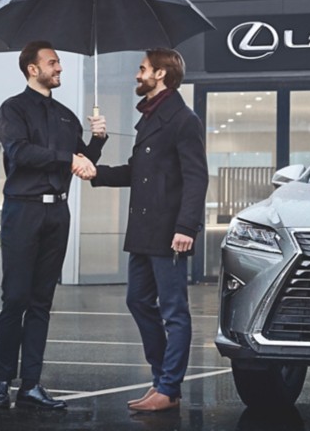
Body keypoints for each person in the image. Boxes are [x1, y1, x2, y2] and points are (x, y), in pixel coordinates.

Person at [0, 40, 107, 411]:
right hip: (22, 212)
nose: (59, 68)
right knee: (16, 299)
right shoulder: (13, 109)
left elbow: (83, 162)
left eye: (59, 63)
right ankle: (2, 381)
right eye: (52, 63)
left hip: (58, 213)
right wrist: (68, 158)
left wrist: (98, 141)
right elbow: (19, 153)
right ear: (32, 69)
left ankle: (32, 385)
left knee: (42, 302)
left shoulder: (67, 116)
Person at [92, 48, 207, 414]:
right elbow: (135, 170)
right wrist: (97, 172)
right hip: (144, 229)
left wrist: (187, 226)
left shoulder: (182, 119)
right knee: (137, 300)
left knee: (174, 312)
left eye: (142, 69)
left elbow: (196, 176)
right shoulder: (150, 116)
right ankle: (162, 381)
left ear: (160, 74)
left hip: (170, 231)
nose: (137, 74)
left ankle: (169, 386)